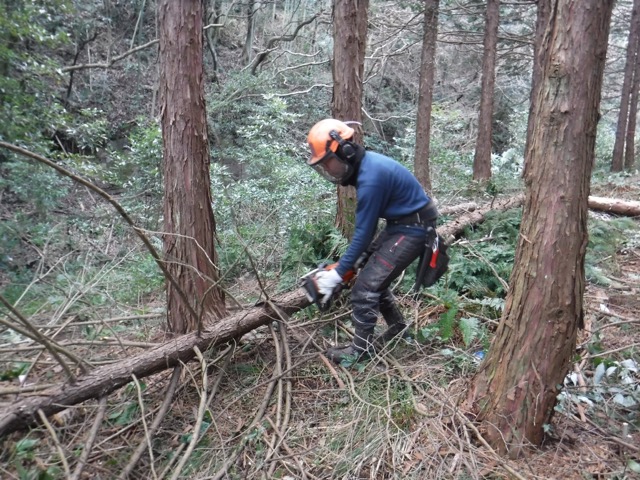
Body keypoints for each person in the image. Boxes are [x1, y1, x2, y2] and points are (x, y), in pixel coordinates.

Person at [305, 118, 438, 364]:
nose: (329, 171)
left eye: (329, 163)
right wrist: (352, 264)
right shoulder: (367, 168)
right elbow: (365, 237)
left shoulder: (370, 178)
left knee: (364, 288)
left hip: (413, 228)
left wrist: (337, 274)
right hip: (402, 225)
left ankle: (360, 350)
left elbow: (363, 233)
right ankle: (397, 327)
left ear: (344, 151)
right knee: (372, 275)